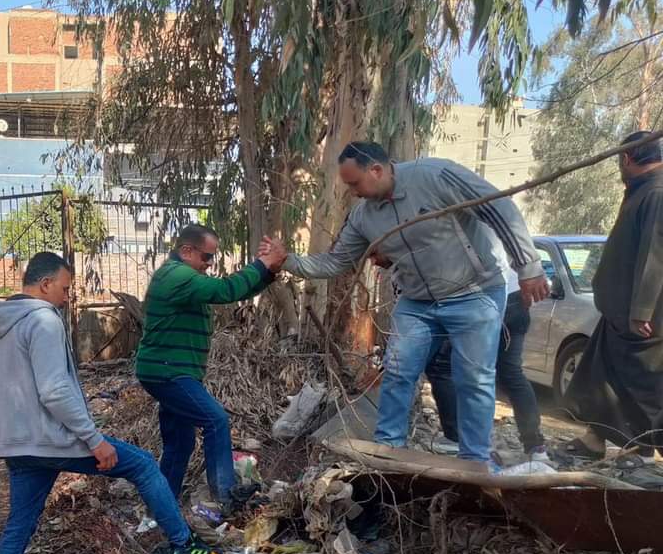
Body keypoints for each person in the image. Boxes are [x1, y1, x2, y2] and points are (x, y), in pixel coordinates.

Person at [0, 252, 216, 554]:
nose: (67, 297)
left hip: (15, 443)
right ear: (45, 285)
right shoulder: (43, 321)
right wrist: (94, 440)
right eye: (65, 288)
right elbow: (55, 390)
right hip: (51, 439)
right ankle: (182, 543)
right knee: (142, 465)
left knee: (18, 527)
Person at [272, 141, 549, 466]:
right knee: (398, 371)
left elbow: (498, 208)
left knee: (474, 379)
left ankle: (475, 462)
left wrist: (528, 267)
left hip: (474, 292)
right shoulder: (363, 216)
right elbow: (335, 262)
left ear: (376, 170)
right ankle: (388, 452)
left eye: (355, 183)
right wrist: (287, 260)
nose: (353, 193)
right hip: (417, 302)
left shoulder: (435, 176)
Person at [136, 223, 286, 511]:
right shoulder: (177, 276)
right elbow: (226, 290)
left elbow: (234, 292)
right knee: (215, 420)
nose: (209, 264)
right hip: (169, 372)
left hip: (167, 371)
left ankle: (161, 506)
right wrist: (263, 264)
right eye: (207, 257)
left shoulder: (182, 278)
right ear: (186, 250)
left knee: (180, 443)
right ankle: (225, 497)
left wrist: (268, 271)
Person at [564, 131, 663, 460]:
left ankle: (642, 451)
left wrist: (642, 310)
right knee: (601, 380)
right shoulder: (641, 189)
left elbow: (655, 254)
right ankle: (594, 439)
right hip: (619, 314)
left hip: (643, 319)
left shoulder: (657, 193)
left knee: (639, 387)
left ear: (626, 158)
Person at [425, 262, 548, 463]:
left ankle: (455, 438)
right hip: (515, 296)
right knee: (511, 373)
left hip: (479, 297)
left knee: (442, 366)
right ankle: (535, 445)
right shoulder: (512, 244)